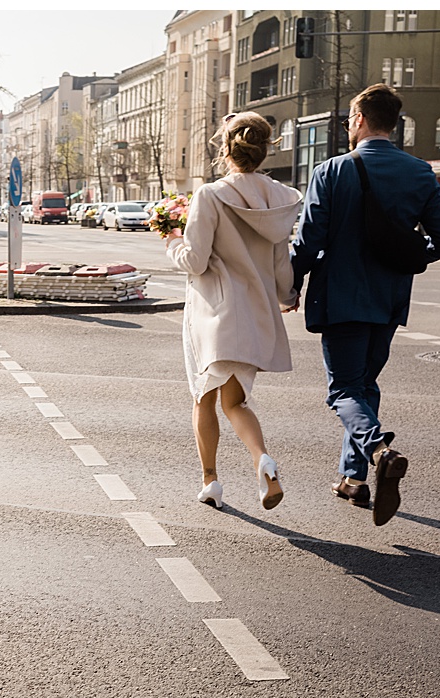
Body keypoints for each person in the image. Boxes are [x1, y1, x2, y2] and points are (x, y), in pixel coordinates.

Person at [291, 84, 440, 525]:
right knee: (364, 385)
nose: (348, 126)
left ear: (361, 119)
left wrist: (289, 284)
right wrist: (404, 255)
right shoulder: (420, 172)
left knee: (344, 390)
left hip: (341, 297)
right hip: (388, 299)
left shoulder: (331, 170)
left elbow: (309, 241)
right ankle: (353, 480)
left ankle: (380, 450)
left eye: (350, 119)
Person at [165, 112, 302, 511]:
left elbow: (195, 260)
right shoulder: (280, 199)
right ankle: (263, 461)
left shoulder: (211, 195)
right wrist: (287, 294)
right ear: (264, 149)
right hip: (257, 315)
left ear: (226, 149)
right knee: (236, 404)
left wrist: (172, 240)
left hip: (215, 315)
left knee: (203, 399)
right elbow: (281, 264)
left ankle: (211, 482)